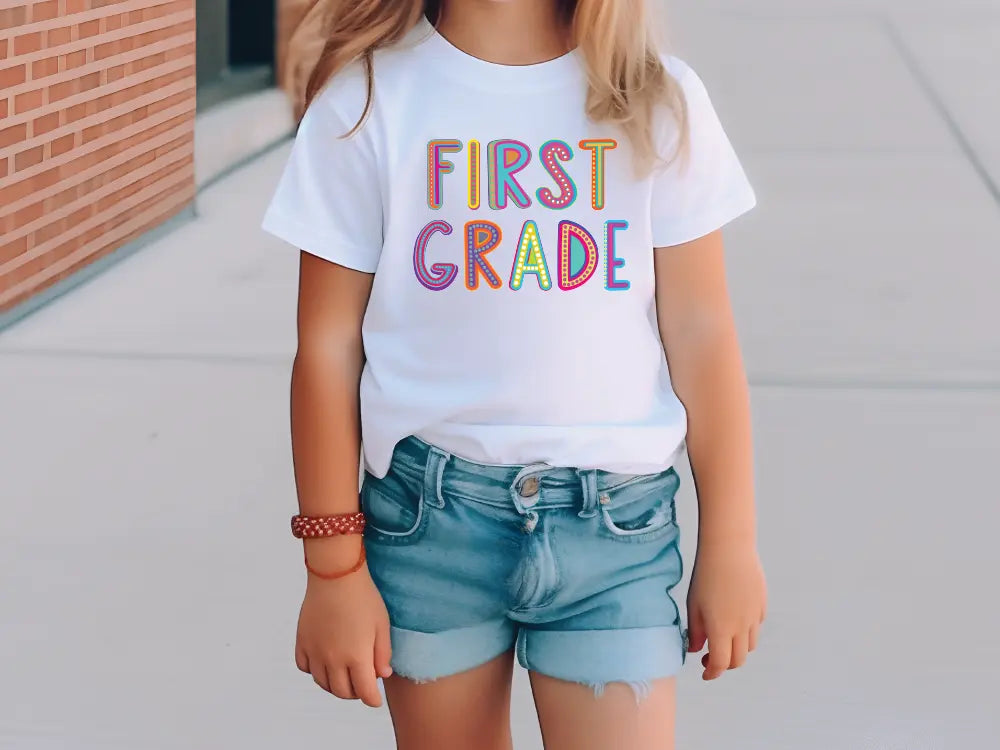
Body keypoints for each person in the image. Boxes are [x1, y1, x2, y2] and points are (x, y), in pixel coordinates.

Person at [262, 1, 767, 748]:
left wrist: (731, 542)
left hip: (614, 532)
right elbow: (328, 347)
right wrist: (332, 569)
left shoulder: (655, 98)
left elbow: (702, 332)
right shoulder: (366, 101)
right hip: (430, 527)